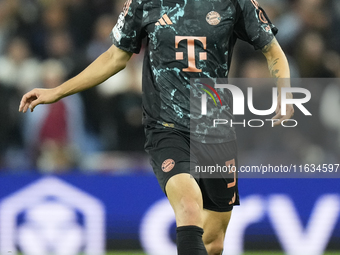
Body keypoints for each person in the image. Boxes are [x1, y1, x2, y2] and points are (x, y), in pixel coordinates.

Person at [19, 0, 294, 254]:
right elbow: (115, 57)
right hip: (166, 126)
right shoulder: (144, 2)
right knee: (188, 206)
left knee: (214, 242)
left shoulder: (234, 2)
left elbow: (274, 52)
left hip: (214, 127)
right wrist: (57, 91)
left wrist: (285, 92)